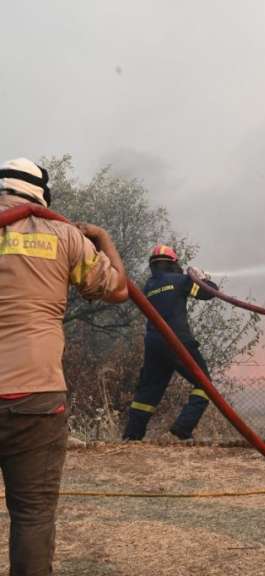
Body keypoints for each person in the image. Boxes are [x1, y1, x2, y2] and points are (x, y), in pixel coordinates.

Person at [0, 158, 129, 575]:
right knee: (33, 516)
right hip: (35, 396)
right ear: (42, 195)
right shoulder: (64, 236)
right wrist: (102, 237)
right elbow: (119, 291)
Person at [123, 245, 219, 441]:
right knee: (205, 384)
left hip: (154, 344)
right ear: (173, 264)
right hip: (178, 342)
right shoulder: (180, 280)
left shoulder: (148, 287)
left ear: (153, 265)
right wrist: (201, 278)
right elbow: (209, 293)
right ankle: (183, 426)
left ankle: (131, 437)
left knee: (148, 392)